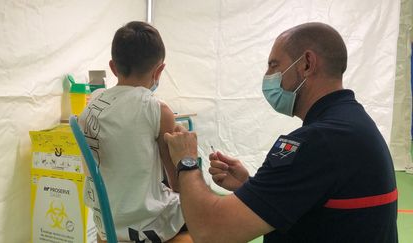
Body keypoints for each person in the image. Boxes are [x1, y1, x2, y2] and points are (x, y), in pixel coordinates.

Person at [163, 22, 398, 243]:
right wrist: (248, 186)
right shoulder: (352, 123)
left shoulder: (319, 141)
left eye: (274, 65)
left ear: (306, 63)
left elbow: (210, 231)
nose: (268, 76)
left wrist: (187, 161)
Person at [78, 21, 186, 242]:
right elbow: (176, 182)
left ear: (113, 67)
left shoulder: (93, 102)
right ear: (159, 70)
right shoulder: (157, 109)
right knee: (207, 217)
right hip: (145, 227)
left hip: (105, 224)